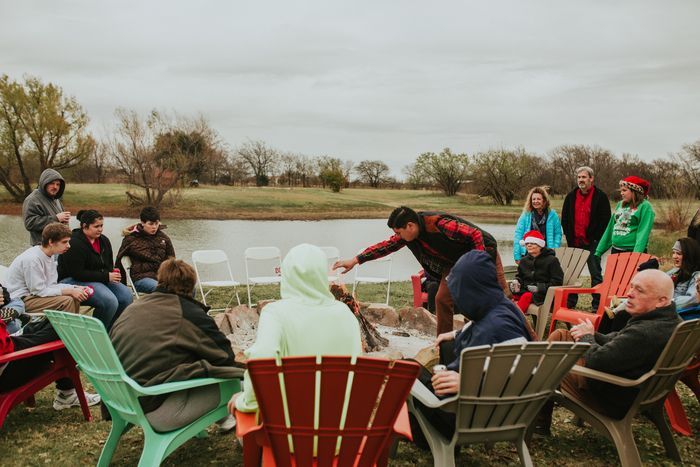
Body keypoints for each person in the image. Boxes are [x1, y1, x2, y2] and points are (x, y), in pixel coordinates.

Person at [411, 250, 533, 441]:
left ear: (470, 290)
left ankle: (422, 432)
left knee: (408, 369)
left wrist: (468, 385)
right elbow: (481, 326)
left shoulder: (500, 329)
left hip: (468, 416)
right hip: (478, 405)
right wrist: (454, 334)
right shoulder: (502, 308)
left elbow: (521, 376)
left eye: (458, 291)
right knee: (448, 346)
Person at [110, 258, 243, 432]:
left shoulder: (136, 307)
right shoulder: (188, 313)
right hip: (159, 410)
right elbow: (224, 357)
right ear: (191, 286)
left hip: (123, 399)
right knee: (239, 383)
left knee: (193, 364)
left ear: (160, 280)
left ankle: (226, 420)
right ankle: (242, 424)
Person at [230, 243, 362, 414]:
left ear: (287, 275)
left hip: (289, 432)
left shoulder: (275, 313)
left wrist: (243, 401)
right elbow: (358, 369)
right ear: (322, 275)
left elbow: (261, 366)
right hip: (341, 425)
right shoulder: (345, 313)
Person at [333, 206, 507, 336]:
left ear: (410, 225)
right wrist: (356, 260)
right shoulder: (408, 236)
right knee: (442, 299)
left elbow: (475, 234)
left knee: (499, 297)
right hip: (453, 262)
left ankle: (519, 336)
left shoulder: (439, 223)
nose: (397, 237)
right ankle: (444, 343)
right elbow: (385, 246)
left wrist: (478, 262)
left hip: (482, 251)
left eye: (399, 232)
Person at [541, 269, 681, 430]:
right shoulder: (671, 321)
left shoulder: (646, 332)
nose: (629, 294)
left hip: (612, 397)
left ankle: (539, 421)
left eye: (639, 290)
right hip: (634, 390)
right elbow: (622, 341)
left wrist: (587, 338)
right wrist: (593, 334)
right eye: (632, 287)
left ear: (661, 300)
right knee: (561, 336)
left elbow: (597, 361)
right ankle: (540, 417)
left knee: (548, 363)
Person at [1, 318, 101, 410]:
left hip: (8, 349)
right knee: (62, 327)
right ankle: (68, 393)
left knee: (52, 322)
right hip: (8, 364)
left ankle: (67, 393)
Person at [5, 223, 89, 330]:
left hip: (34, 295)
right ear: (50, 242)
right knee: (67, 301)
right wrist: (69, 291)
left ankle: (70, 333)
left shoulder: (49, 256)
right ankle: (65, 335)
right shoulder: (32, 259)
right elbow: (39, 291)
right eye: (64, 242)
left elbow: (51, 285)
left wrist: (74, 288)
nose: (69, 245)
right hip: (20, 299)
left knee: (74, 297)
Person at [58, 210, 132, 329]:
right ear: (84, 226)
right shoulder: (74, 243)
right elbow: (77, 273)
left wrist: (111, 275)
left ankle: (110, 331)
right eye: (96, 226)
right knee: (109, 300)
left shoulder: (104, 241)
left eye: (101, 225)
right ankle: (95, 334)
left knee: (126, 295)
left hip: (98, 279)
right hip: (71, 281)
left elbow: (108, 265)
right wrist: (106, 276)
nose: (100, 229)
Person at [560, 166, 612, 310]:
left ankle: (597, 305)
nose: (581, 180)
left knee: (595, 274)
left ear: (591, 178)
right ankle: (570, 303)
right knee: (571, 274)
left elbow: (605, 220)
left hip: (592, 243)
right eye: (579, 177)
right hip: (574, 242)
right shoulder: (571, 196)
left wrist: (596, 239)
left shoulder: (600, 197)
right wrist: (569, 238)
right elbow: (565, 219)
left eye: (584, 177)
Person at [116, 206, 176, 294]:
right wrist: (122, 287)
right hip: (141, 278)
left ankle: (180, 307)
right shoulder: (131, 239)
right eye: (151, 224)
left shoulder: (164, 238)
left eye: (156, 223)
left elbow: (172, 260)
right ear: (142, 222)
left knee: (187, 287)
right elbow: (118, 261)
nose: (154, 227)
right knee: (162, 289)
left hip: (162, 277)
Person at [595, 176, 655, 257]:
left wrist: (636, 255)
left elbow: (643, 233)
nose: (621, 193)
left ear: (634, 191)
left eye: (624, 190)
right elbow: (610, 228)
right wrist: (599, 250)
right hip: (616, 250)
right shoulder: (620, 204)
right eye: (621, 190)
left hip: (632, 252)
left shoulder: (645, 206)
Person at [509, 230, 564, 314]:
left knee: (526, 296)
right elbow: (520, 276)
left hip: (545, 294)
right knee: (506, 295)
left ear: (540, 245)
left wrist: (539, 287)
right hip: (525, 290)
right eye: (527, 244)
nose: (529, 245)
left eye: (533, 243)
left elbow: (558, 281)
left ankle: (514, 321)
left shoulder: (552, 260)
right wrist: (517, 282)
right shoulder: (524, 260)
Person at [22, 169, 71, 246]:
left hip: (58, 246)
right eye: (52, 183)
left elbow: (59, 222)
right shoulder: (32, 199)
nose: (55, 187)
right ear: (44, 183)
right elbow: (29, 223)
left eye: (58, 184)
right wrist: (56, 218)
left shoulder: (56, 199)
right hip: (42, 247)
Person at [513, 186, 562, 262]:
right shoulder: (526, 214)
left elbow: (558, 234)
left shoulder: (553, 215)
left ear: (544, 201)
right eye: (533, 199)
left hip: (547, 253)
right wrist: (517, 256)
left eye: (538, 199)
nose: (535, 201)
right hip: (528, 253)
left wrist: (554, 249)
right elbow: (518, 234)